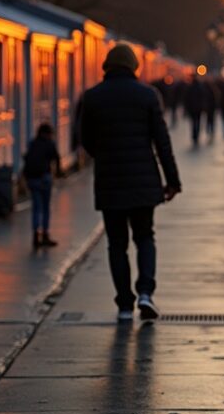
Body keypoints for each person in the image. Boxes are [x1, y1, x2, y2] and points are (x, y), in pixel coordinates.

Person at [78, 44, 182, 322]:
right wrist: (172, 180)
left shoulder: (93, 97)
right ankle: (146, 292)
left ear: (107, 67)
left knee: (117, 244)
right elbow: (162, 141)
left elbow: (85, 139)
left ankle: (124, 303)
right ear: (134, 67)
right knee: (145, 236)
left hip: (109, 181)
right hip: (143, 182)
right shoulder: (148, 95)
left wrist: (104, 155)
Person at [23, 123, 62, 248]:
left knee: (36, 207)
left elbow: (26, 160)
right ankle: (45, 234)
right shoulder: (49, 144)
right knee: (45, 208)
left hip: (32, 180)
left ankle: (35, 234)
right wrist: (58, 173)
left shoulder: (32, 144)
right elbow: (56, 158)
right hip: (44, 178)